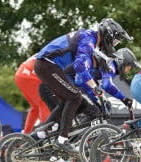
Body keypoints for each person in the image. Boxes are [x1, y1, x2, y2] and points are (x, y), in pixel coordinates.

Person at [34, 18, 131, 154]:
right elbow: (80, 66)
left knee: (66, 101)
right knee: (75, 98)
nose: (114, 45)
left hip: (48, 66)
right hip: (47, 65)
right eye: (115, 41)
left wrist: (97, 92)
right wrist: (95, 88)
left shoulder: (90, 38)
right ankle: (62, 140)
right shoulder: (88, 40)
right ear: (108, 35)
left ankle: (38, 135)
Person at [15, 54, 53, 133]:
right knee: (44, 102)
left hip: (20, 74)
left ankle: (26, 134)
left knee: (35, 107)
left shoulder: (48, 51)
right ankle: (47, 131)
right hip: (29, 75)